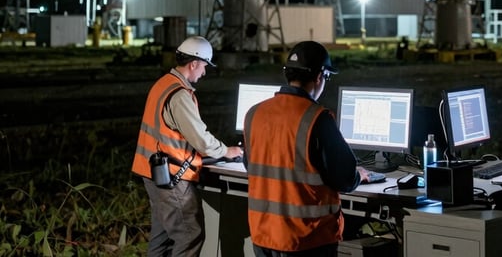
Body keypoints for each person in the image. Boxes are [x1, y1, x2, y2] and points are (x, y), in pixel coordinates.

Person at [244, 40, 369, 257]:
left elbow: (251, 164)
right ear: (319, 76)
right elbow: (345, 178)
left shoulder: (254, 113)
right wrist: (360, 175)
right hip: (306, 239)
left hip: (264, 236)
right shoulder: (317, 118)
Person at [132, 36, 243, 257]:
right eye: (204, 66)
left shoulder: (163, 83)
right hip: (171, 176)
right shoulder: (180, 95)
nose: (204, 72)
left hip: (152, 171)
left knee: (162, 236)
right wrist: (227, 151)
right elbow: (200, 139)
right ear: (193, 64)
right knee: (189, 234)